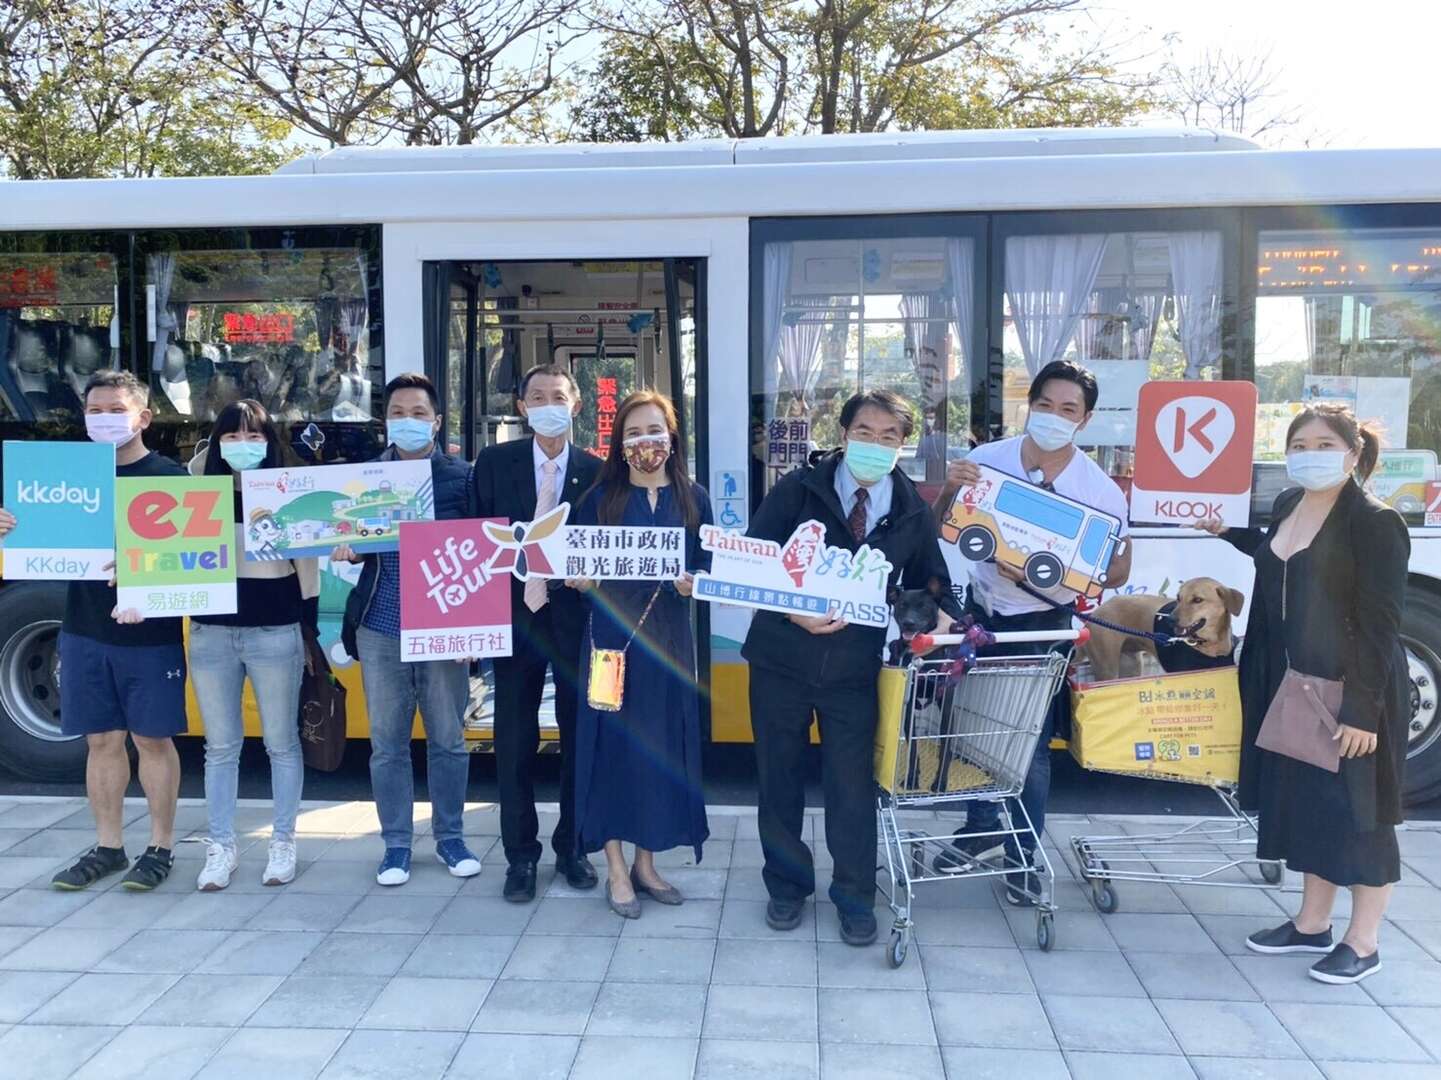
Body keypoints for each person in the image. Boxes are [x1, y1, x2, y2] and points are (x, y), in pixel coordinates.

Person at [1198, 404, 1409, 985]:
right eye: (1298, 443)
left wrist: (1364, 712)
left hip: (1352, 693)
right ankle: (1311, 923)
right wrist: (1228, 534)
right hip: (1296, 687)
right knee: (1312, 805)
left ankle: (1363, 942)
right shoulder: (1291, 504)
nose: (1307, 453)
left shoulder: (1373, 522)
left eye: (1322, 443)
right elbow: (1283, 559)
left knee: (1360, 815)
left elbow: (1381, 624)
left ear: (1352, 452)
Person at [745, 388, 961, 946]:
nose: (876, 445)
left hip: (854, 670)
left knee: (852, 788)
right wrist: (793, 612)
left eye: (889, 437)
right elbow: (754, 561)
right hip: (780, 660)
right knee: (779, 779)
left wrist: (945, 616)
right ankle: (787, 888)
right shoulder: (798, 490)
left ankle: (854, 896)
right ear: (843, 436)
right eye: (865, 432)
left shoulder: (910, 507)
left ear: (903, 446)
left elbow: (932, 580)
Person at [930, 360, 1132, 903]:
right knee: (973, 730)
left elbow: (1117, 571)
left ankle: (1023, 853)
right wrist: (949, 490)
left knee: (1031, 745)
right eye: (1045, 405)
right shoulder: (985, 461)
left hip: (1044, 623)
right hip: (982, 613)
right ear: (1031, 404)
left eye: (1068, 410)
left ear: (1084, 420)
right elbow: (943, 523)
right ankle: (980, 827)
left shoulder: (1101, 492)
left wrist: (1058, 570)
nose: (1053, 417)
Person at [0, 371, 186, 891]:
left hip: (150, 636)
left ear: (143, 418)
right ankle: (108, 847)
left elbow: (195, 562)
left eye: (115, 409)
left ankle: (160, 847)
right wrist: (10, 525)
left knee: (153, 739)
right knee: (100, 740)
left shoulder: (169, 479)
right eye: (94, 409)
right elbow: (34, 537)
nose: (104, 418)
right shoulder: (65, 480)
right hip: (82, 628)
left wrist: (144, 569)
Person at [568, 391, 712, 918]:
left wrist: (695, 582)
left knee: (659, 751)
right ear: (619, 443)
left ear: (672, 438)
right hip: (609, 645)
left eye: (654, 431)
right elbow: (576, 560)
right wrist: (580, 581)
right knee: (610, 749)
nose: (644, 442)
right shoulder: (599, 499)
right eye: (633, 433)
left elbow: (709, 566)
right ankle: (614, 868)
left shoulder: (692, 497)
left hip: (669, 645)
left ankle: (646, 864)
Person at [338, 372, 481, 886]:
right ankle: (395, 845)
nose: (409, 422)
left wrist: (473, 630)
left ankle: (450, 838)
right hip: (380, 625)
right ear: (385, 422)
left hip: (443, 628)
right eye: (398, 412)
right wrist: (345, 547)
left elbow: (479, 556)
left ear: (437, 421)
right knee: (387, 744)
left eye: (419, 413)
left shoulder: (463, 478)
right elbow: (340, 542)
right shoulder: (360, 480)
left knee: (448, 738)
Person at [471, 363, 601, 902]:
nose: (548, 403)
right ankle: (519, 856)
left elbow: (605, 546)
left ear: (576, 405)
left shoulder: (597, 471)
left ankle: (573, 847)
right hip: (512, 621)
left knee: (579, 739)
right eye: (536, 395)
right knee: (514, 742)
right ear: (522, 408)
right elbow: (474, 541)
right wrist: (471, 633)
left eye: (559, 395)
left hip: (575, 623)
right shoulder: (494, 462)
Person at [189, 400, 318, 890]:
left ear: (269, 440)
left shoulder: (288, 486)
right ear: (218, 442)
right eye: (233, 437)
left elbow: (307, 569)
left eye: (254, 437)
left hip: (275, 630)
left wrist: (309, 627)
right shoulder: (197, 483)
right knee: (220, 746)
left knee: (281, 743)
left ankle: (283, 841)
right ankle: (221, 847)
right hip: (210, 632)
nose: (244, 447)